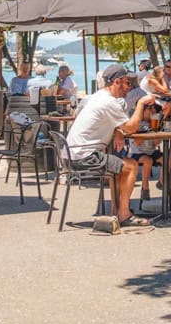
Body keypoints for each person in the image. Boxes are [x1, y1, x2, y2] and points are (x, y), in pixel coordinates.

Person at [66, 64, 155, 226]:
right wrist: (141, 104)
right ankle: (124, 214)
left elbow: (114, 123)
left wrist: (117, 132)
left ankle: (117, 210)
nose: (129, 87)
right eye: (128, 83)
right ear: (117, 82)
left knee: (119, 164)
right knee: (131, 165)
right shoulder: (109, 103)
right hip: (83, 156)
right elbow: (131, 127)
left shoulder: (100, 96)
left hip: (72, 153)